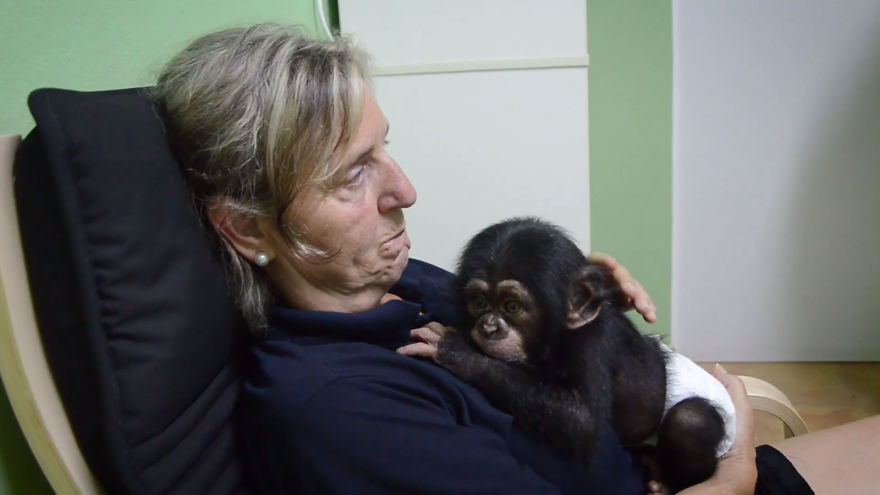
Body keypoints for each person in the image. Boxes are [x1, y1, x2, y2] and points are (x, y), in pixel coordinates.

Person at [153, 23, 879, 494]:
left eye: (384, 147)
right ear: (247, 230)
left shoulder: (392, 283)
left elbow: (538, 360)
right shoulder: (335, 410)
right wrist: (737, 471)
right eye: (352, 175)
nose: (406, 191)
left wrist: (581, 304)